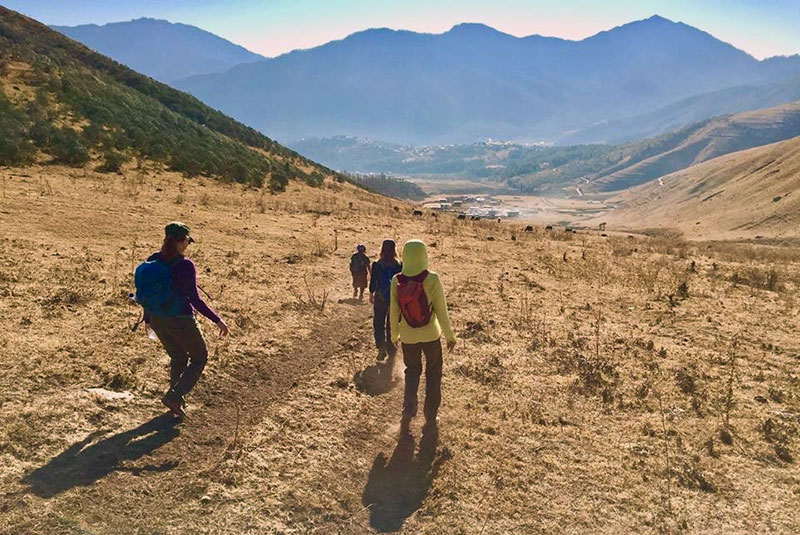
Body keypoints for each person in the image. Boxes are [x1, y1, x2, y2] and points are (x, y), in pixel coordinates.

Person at [136, 222, 229, 418]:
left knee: (178, 357)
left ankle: (176, 403)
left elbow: (144, 292)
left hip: (158, 318)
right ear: (180, 241)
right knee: (199, 357)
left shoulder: (153, 260)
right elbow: (195, 299)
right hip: (181, 319)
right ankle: (175, 396)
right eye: (187, 240)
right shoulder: (185, 265)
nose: (188, 244)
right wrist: (217, 320)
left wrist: (148, 318)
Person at [389, 239, 456, 434]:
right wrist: (450, 336)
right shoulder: (432, 279)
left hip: (408, 336)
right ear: (424, 255)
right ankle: (431, 414)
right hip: (431, 336)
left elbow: (393, 312)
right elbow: (442, 311)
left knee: (412, 371)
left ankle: (409, 409)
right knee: (433, 373)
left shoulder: (396, 280)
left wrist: (394, 335)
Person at [369, 239, 402, 361]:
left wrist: (371, 294)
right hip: (394, 300)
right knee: (392, 325)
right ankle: (391, 349)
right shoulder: (399, 265)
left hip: (380, 298)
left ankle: (381, 346)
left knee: (378, 323)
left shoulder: (377, 265)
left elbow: (373, 282)